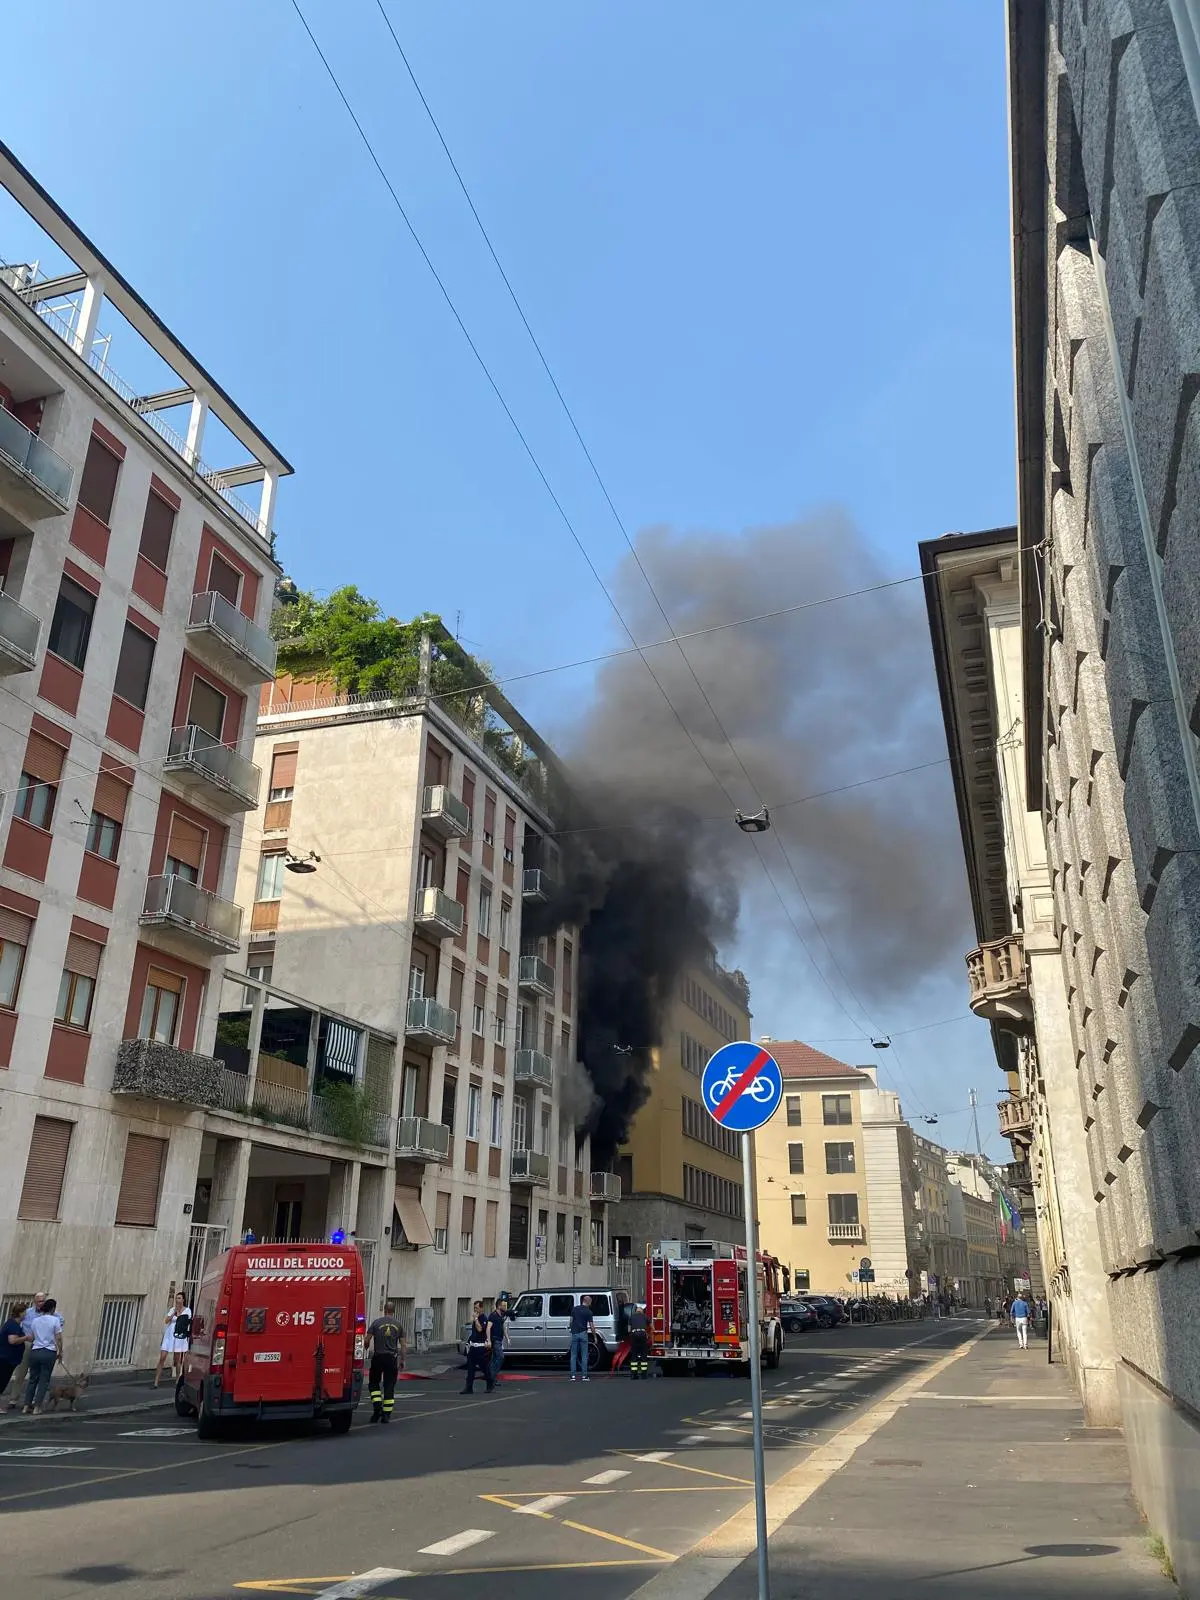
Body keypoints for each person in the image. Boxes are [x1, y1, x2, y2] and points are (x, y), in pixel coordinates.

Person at [366, 1300, 406, 1424]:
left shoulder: (376, 1323)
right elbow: (403, 1345)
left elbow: (367, 1340)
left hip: (378, 1357)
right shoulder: (398, 1325)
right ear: (394, 1311)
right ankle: (386, 1415)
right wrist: (402, 1360)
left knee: (373, 1384)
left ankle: (377, 1407)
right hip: (391, 1358)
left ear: (384, 1310)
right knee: (389, 1386)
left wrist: (366, 1348)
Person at [22, 1297, 63, 1414]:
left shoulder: (35, 1321)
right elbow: (58, 1338)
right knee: (44, 1380)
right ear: (53, 1308)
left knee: (32, 1379)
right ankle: (37, 1407)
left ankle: (26, 1405)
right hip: (48, 1351)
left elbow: (32, 1337)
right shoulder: (55, 1320)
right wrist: (61, 1351)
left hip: (35, 1351)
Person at [154, 1293, 191, 1388]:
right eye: (176, 1298)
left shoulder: (187, 1310)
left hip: (178, 1335)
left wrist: (179, 1314)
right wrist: (174, 1312)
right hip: (169, 1335)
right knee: (162, 1357)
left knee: (177, 1359)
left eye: (179, 1298)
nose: (177, 1300)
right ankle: (156, 1382)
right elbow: (166, 1320)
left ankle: (177, 1380)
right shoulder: (172, 1309)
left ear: (183, 1300)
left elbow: (186, 1322)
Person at [461, 1301, 492, 1395]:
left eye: (477, 1308)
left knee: (484, 1367)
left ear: (481, 1308)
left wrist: (475, 1319)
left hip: (480, 1348)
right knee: (470, 1368)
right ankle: (468, 1387)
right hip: (473, 1347)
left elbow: (480, 1329)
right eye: (474, 1308)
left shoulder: (483, 1318)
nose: (475, 1310)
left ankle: (490, 1383)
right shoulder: (477, 1319)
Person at [0, 1302, 27, 1409]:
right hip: (6, 1358)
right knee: (1, 1382)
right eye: (24, 1312)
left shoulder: (12, 1324)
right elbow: (12, 1340)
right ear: (20, 1313)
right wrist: (25, 1338)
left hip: (8, 1358)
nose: (25, 1315)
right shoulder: (13, 1325)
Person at [569, 1294, 594, 1382]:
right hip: (583, 1333)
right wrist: (595, 1336)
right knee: (584, 1356)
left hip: (575, 1333)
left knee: (573, 1355)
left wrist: (571, 1329)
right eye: (590, 1302)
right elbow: (591, 1325)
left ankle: (573, 1376)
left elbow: (571, 1321)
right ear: (588, 1302)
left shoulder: (575, 1309)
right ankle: (584, 1376)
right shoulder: (589, 1312)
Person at [487, 1298, 509, 1386]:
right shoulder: (493, 1315)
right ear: (499, 1306)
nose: (505, 1307)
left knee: (495, 1359)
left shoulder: (501, 1315)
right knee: (500, 1357)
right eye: (504, 1305)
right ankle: (491, 1377)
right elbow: (488, 1328)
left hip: (499, 1339)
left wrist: (507, 1337)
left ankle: (492, 1377)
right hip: (495, 1339)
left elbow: (503, 1326)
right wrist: (488, 1340)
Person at [627, 1302, 650, 1380]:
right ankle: (644, 1375)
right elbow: (651, 1325)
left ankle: (634, 1375)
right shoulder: (645, 1316)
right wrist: (653, 1332)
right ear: (642, 1311)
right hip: (643, 1335)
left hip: (634, 1336)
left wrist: (631, 1335)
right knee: (644, 1355)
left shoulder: (631, 1317)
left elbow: (629, 1329)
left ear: (636, 1311)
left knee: (634, 1355)